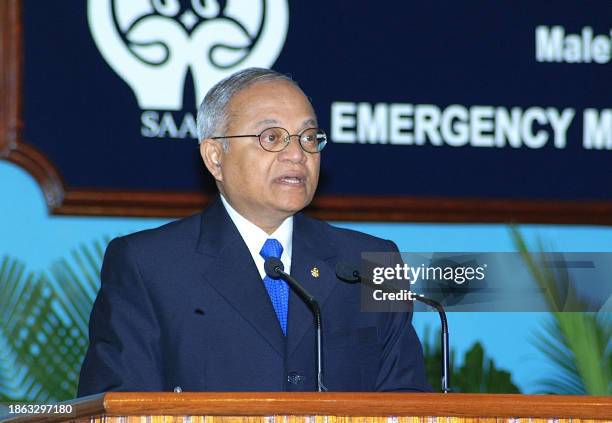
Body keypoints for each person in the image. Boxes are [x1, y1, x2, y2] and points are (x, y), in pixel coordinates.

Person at [77, 68, 429, 395]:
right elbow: (116, 404)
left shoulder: (370, 262)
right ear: (215, 157)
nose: (297, 154)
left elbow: (407, 399)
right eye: (272, 137)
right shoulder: (149, 266)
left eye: (309, 137)